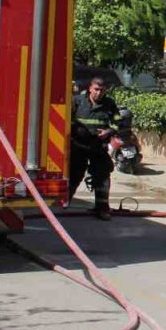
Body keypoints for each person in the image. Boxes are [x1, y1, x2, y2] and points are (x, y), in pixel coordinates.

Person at [69, 75, 120, 221]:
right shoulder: (77, 101)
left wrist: (109, 132)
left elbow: (118, 123)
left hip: (98, 146)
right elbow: (67, 121)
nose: (99, 93)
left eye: (102, 90)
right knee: (74, 174)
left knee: (102, 175)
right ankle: (64, 203)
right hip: (79, 145)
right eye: (96, 89)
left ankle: (102, 207)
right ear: (90, 88)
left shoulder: (109, 103)